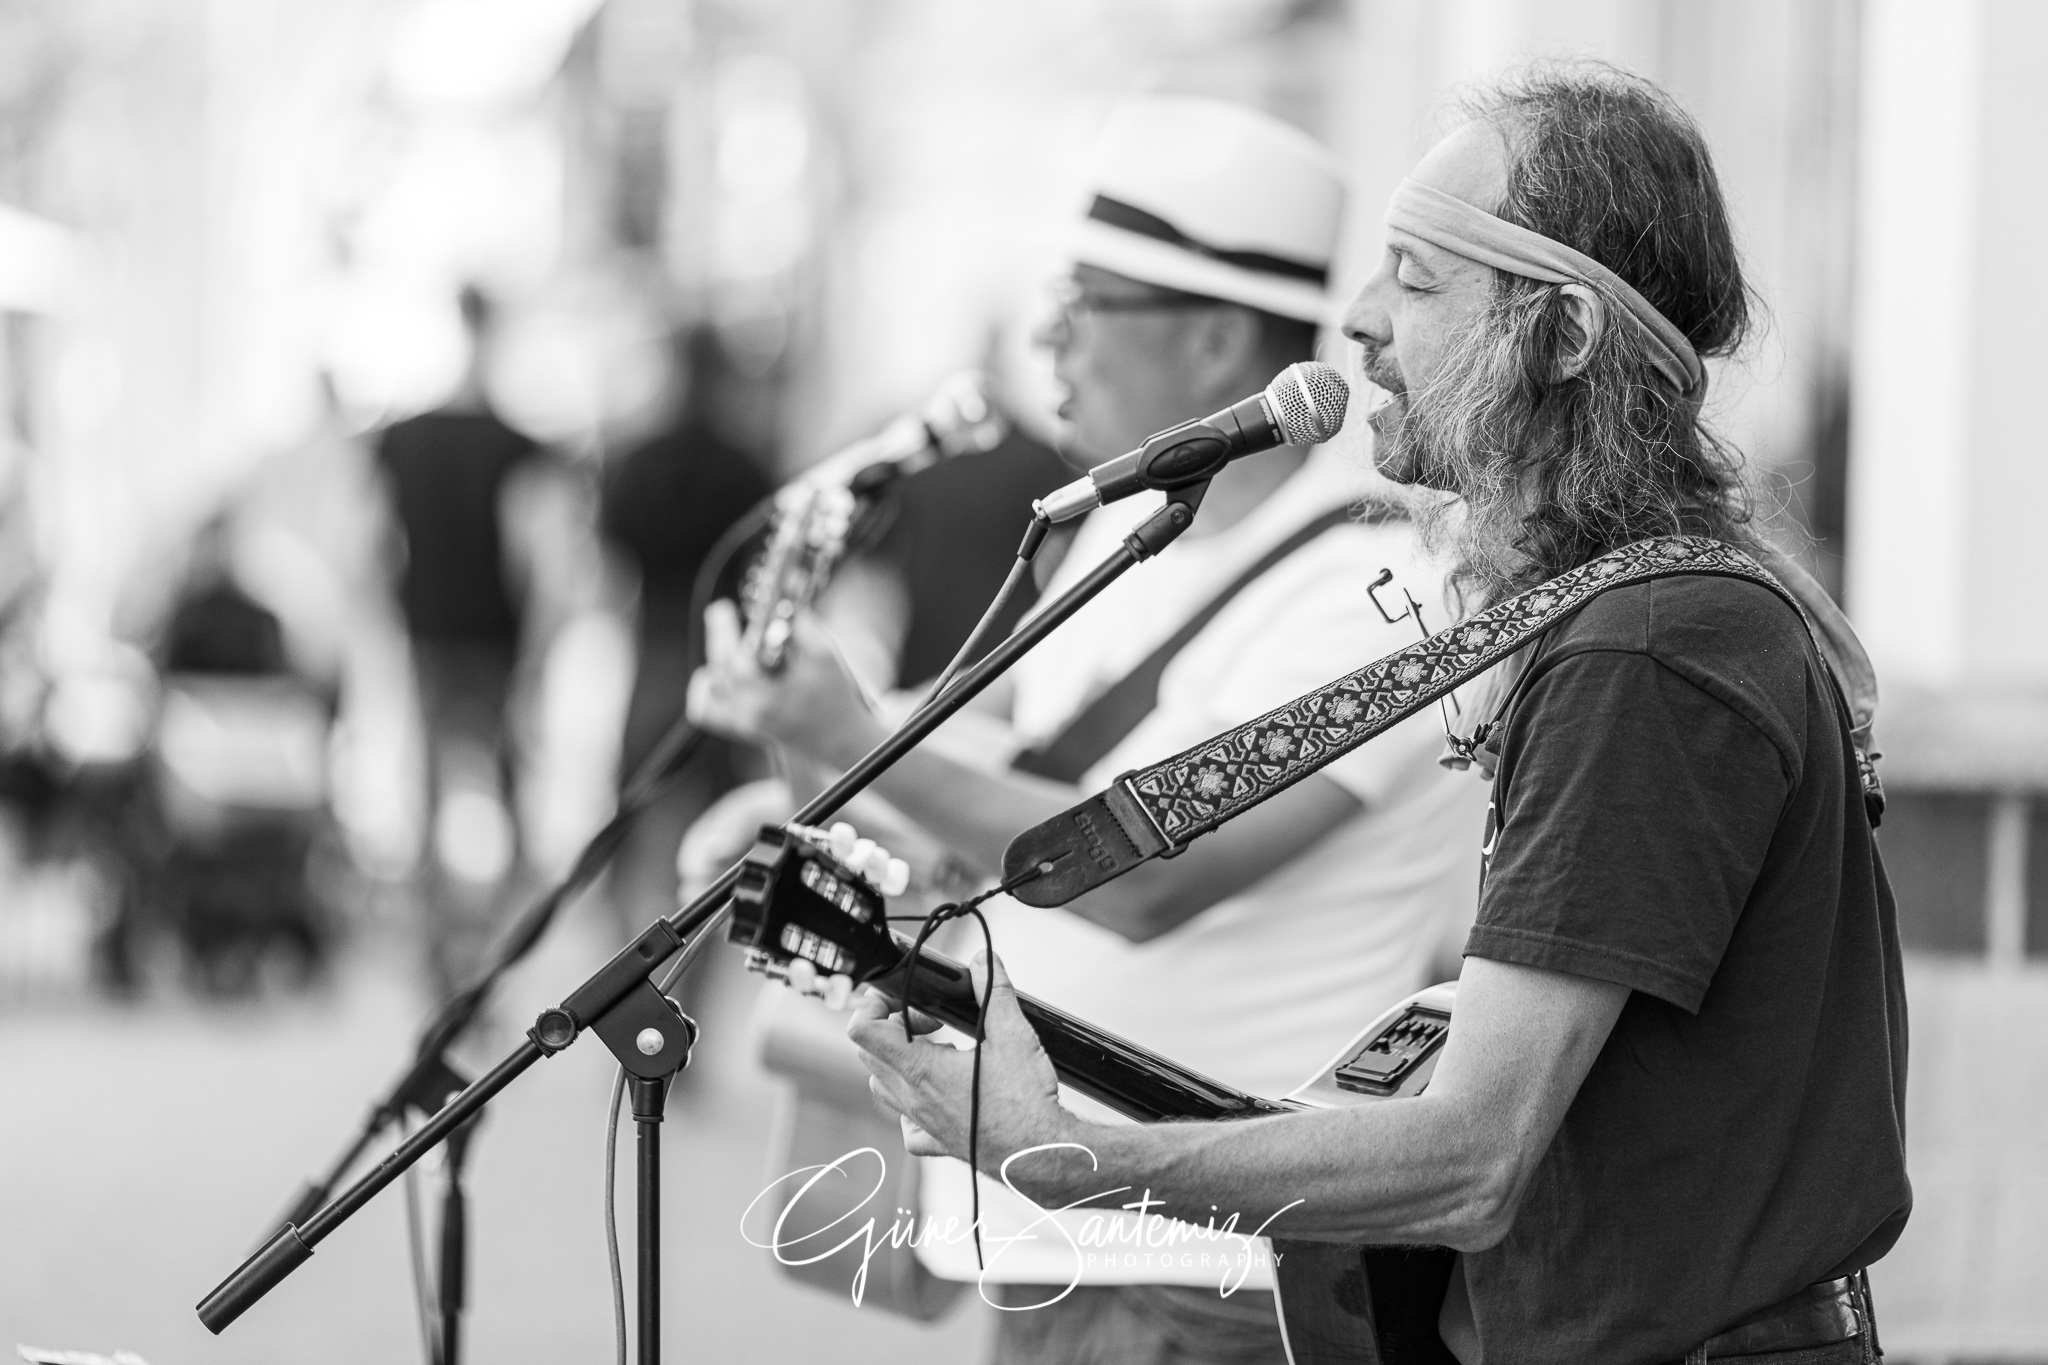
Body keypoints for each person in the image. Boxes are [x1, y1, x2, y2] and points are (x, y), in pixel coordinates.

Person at [847, 65, 1909, 1365]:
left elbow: (1474, 1159)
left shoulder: (1652, 649)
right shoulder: (1625, 620)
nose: (1353, 322)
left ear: (1561, 337)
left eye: (1415, 280)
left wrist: (1060, 1158)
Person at [688, 95, 1487, 1362]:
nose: (1045, 331)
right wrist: (803, 785)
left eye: (1088, 297)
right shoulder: (1128, 529)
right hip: (1051, 1230)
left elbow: (1136, 877)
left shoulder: (1383, 589)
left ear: (1219, 339)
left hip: (1212, 1270)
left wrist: (849, 739)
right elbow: (983, 767)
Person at [374, 285, 546, 995]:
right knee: (506, 798)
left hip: (430, 637)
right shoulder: (516, 443)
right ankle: (492, 959)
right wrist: (538, 651)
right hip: (497, 644)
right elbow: (534, 555)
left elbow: (374, 546)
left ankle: (439, 955)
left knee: (431, 797)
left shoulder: (403, 437)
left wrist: (394, 620)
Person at [599, 326, 776, 944]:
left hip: (654, 654)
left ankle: (628, 961)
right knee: (717, 843)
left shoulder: (636, 461)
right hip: (720, 662)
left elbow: (611, 554)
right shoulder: (746, 465)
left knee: (633, 823)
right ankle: (688, 979)